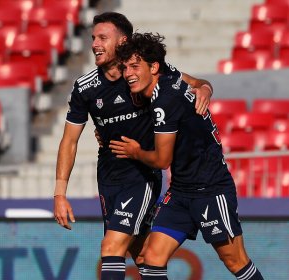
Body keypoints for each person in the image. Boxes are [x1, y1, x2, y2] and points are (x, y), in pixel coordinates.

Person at [53, 12, 213, 279]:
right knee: (140, 255)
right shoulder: (85, 88)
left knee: (111, 246)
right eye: (93, 38)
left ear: (122, 40)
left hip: (141, 176)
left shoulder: (144, 73)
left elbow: (196, 84)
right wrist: (59, 194)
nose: (95, 44)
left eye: (103, 37)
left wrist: (205, 89)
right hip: (108, 176)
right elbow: (69, 140)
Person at [110, 32, 264, 279]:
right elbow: (199, 82)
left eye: (135, 67)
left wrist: (135, 152)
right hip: (181, 191)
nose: (128, 73)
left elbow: (162, 161)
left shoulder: (164, 101)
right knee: (150, 259)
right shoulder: (168, 75)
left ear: (154, 67)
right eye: (125, 67)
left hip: (211, 188)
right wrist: (205, 87)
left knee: (235, 261)